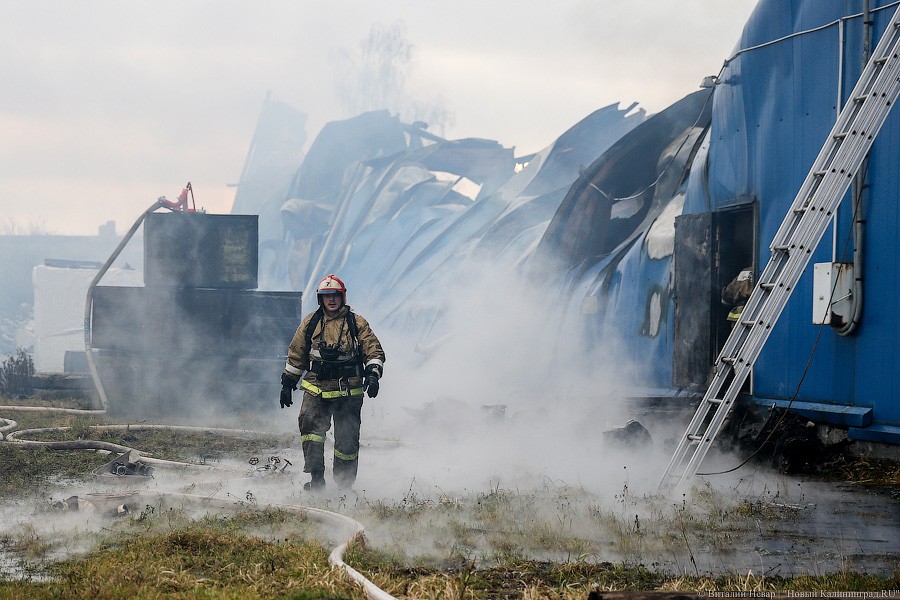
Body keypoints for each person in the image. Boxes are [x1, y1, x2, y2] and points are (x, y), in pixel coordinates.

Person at [279, 274, 385, 491]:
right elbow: (297, 354)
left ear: (342, 297)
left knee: (347, 441)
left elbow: (373, 349)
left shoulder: (356, 323)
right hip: (316, 387)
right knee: (310, 430)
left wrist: (373, 374)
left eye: (335, 295)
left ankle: (344, 486)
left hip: (348, 390)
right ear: (321, 299)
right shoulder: (311, 323)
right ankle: (316, 478)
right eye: (327, 296)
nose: (331, 300)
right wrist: (287, 383)